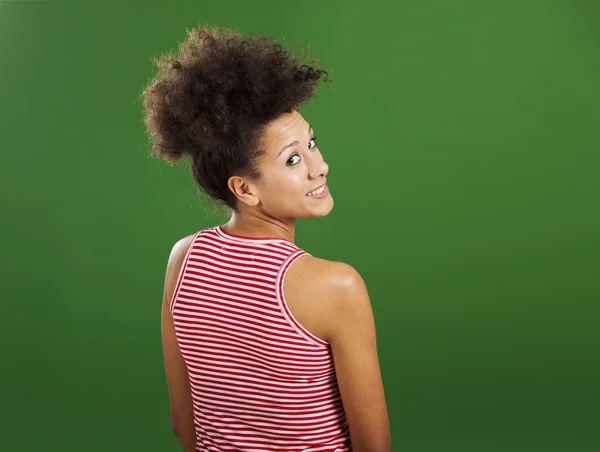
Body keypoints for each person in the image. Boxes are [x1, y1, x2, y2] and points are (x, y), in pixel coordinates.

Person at [141, 25, 390, 452]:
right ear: (245, 189)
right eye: (293, 158)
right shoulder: (336, 287)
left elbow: (185, 426)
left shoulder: (183, 260)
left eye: (312, 143)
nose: (320, 166)